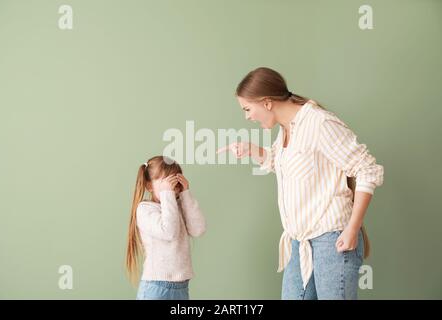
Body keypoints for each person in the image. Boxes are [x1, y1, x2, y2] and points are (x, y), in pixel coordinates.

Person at [218, 67, 384, 299]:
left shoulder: (319, 123)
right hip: (300, 242)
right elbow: (288, 165)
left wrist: (352, 228)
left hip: (331, 241)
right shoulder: (288, 128)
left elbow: (367, 169)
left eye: (247, 109)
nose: (247, 116)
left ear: (266, 102)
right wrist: (251, 150)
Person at [126, 156, 206, 300]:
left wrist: (185, 193)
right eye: (166, 182)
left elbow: (198, 229)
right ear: (149, 185)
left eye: (175, 180)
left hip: (181, 287)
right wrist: (167, 194)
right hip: (156, 288)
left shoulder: (177, 206)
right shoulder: (145, 209)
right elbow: (168, 231)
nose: (172, 186)